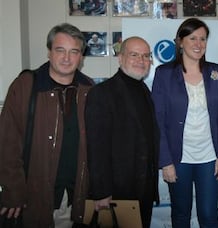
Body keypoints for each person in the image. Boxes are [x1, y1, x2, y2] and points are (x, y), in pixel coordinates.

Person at [0, 23, 94, 227]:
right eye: (60, 50)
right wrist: (13, 189)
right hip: (33, 197)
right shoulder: (26, 86)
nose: (67, 58)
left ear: (81, 57)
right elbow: (7, 142)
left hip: (75, 197)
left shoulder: (89, 89)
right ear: (49, 53)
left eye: (74, 52)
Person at [151, 18, 218, 228]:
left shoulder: (215, 72)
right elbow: (157, 120)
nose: (198, 44)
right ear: (180, 41)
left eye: (203, 39)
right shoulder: (164, 74)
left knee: (209, 214)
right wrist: (165, 161)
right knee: (181, 213)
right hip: (179, 158)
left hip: (209, 156)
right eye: (192, 38)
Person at [85, 36, 159, 228]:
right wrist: (101, 192)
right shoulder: (101, 93)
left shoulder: (144, 90)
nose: (141, 61)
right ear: (120, 57)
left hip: (143, 188)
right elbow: (96, 146)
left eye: (145, 56)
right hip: (117, 192)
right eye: (134, 55)